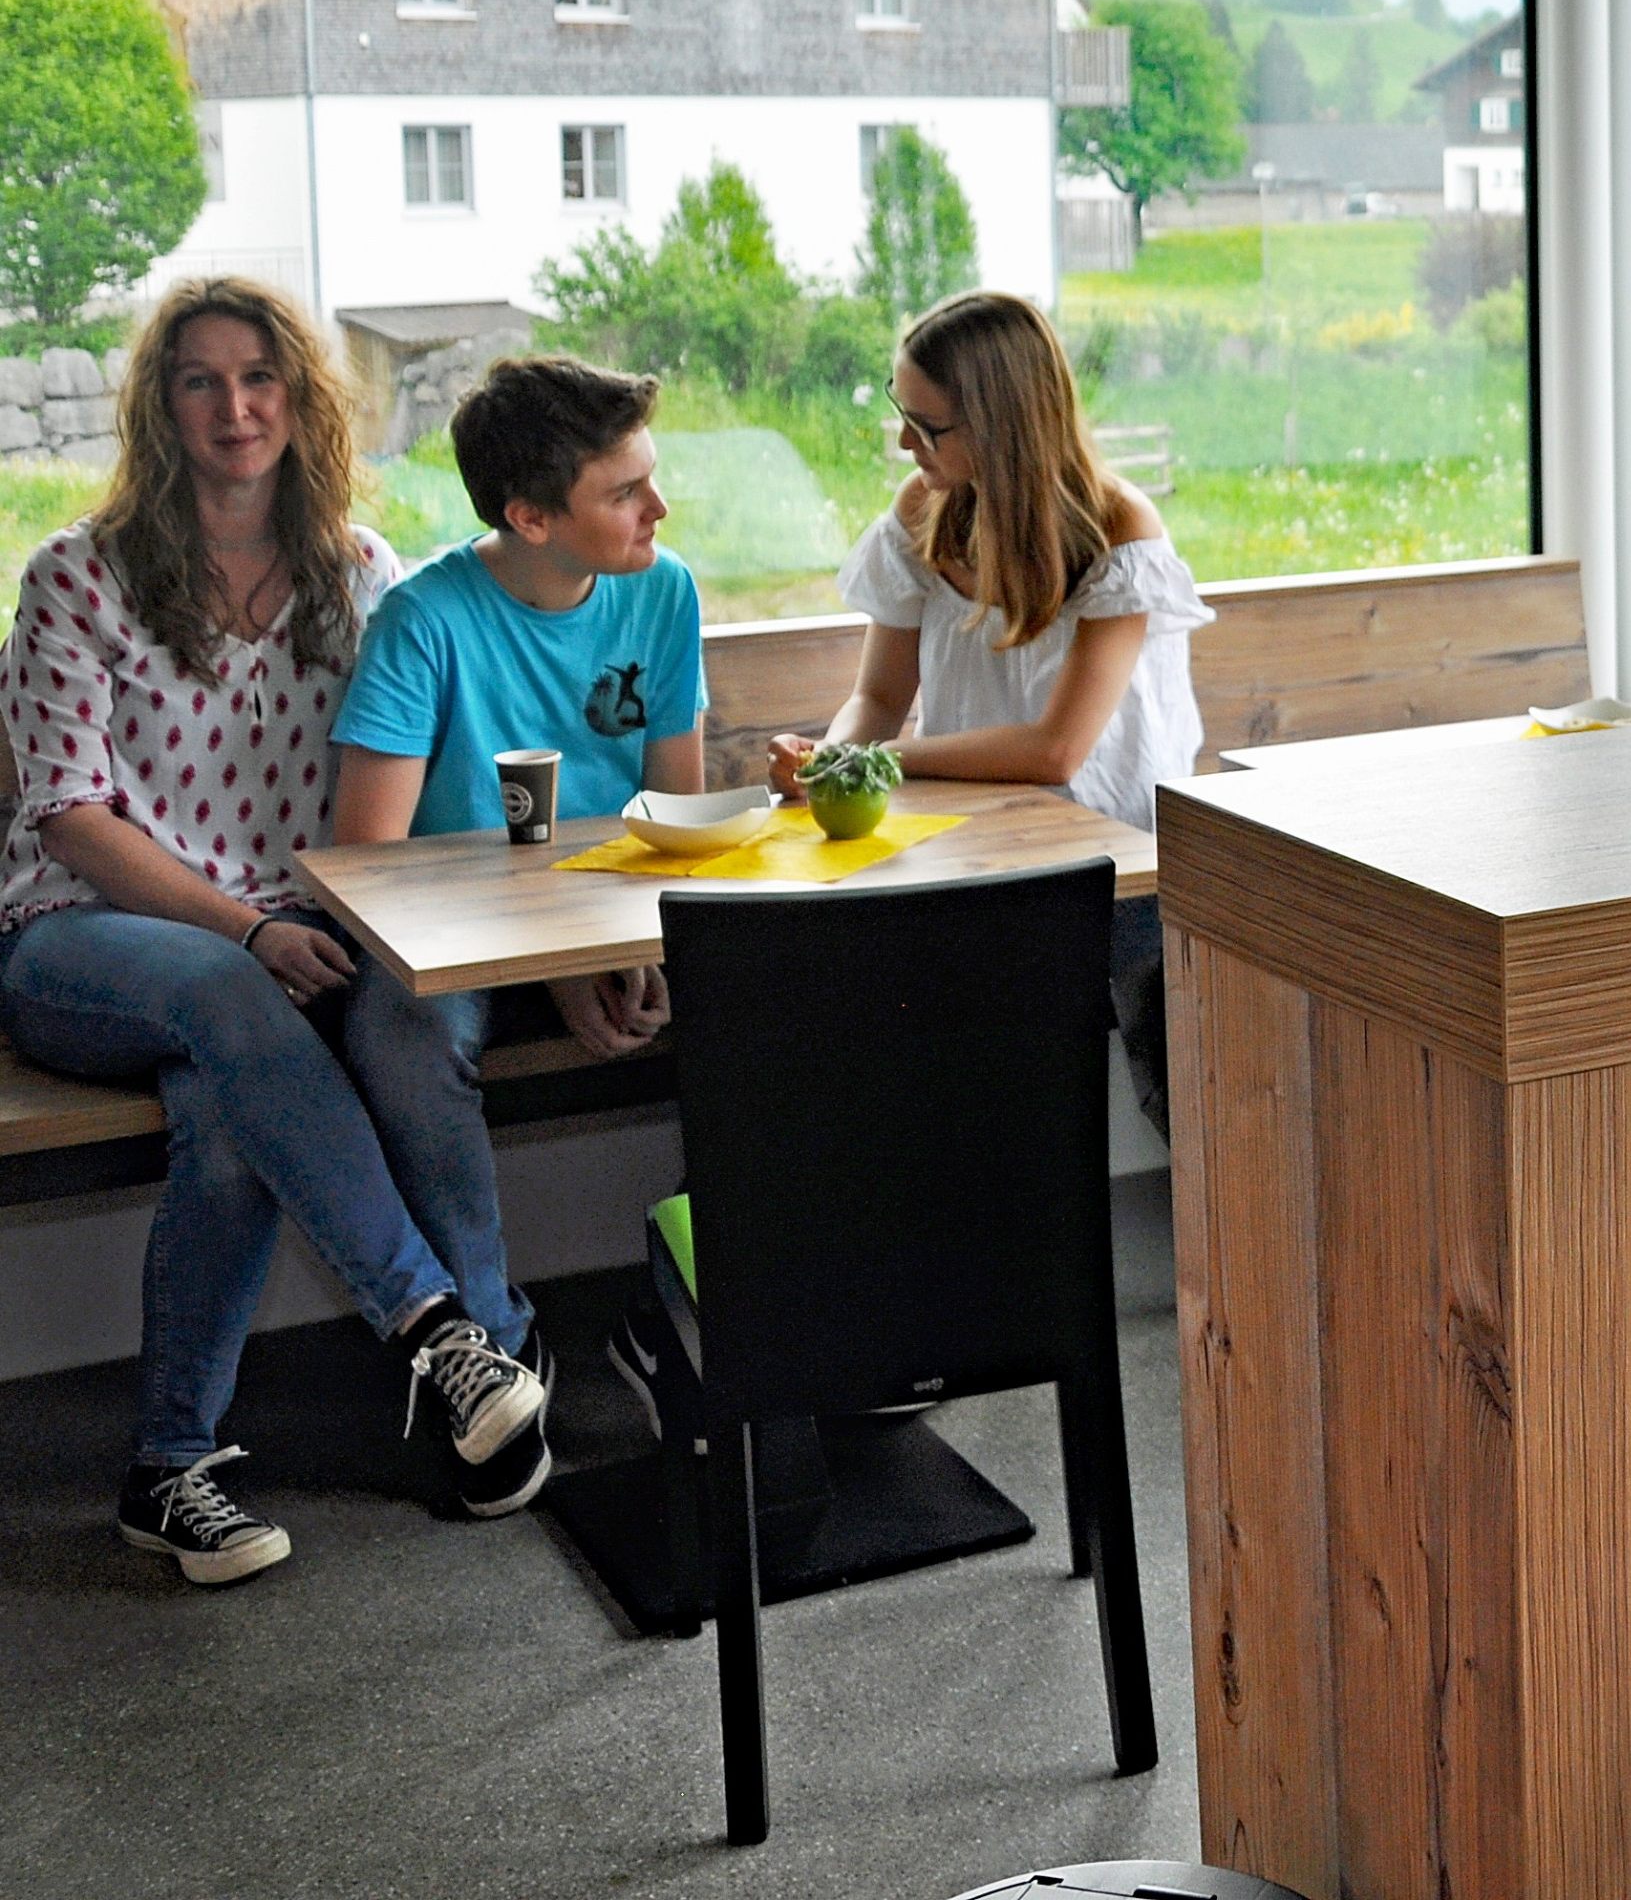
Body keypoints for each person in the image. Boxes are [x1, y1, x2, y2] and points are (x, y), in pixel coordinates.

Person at [0, 280, 550, 1580]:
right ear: (161, 405)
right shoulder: (78, 577)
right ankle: (440, 1329)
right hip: (80, 944)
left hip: (270, 966)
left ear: (300, 400)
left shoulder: (355, 574)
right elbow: (69, 815)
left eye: (261, 378)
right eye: (200, 379)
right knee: (226, 1002)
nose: (235, 406)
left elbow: (427, 754)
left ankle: (167, 1470)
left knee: (226, 1121)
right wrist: (250, 930)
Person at [765, 290, 1202, 1132]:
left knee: (1171, 1097)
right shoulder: (923, 512)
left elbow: (1055, 752)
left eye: (929, 426)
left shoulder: (1118, 528)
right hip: (974, 854)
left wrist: (875, 765)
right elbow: (880, 697)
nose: (905, 442)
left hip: (1122, 865)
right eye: (903, 413)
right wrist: (829, 760)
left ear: (1004, 422)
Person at [333, 355, 706, 1065]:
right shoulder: (421, 620)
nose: (658, 509)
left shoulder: (665, 589)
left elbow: (675, 811)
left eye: (650, 478)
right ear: (530, 518)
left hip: (612, 911)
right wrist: (553, 961)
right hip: (457, 927)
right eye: (626, 492)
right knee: (407, 1031)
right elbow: (367, 866)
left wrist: (620, 946)